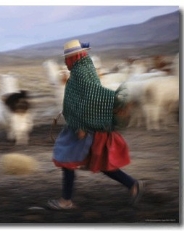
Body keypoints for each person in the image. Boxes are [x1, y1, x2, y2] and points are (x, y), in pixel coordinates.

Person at [47, 39, 144, 210]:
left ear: (75, 56)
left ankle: (66, 201)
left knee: (66, 159)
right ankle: (132, 184)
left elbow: (92, 96)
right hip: (92, 125)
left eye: (67, 57)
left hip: (86, 127)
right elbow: (87, 96)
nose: (65, 61)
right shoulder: (86, 67)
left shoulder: (80, 72)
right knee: (102, 164)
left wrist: (82, 125)